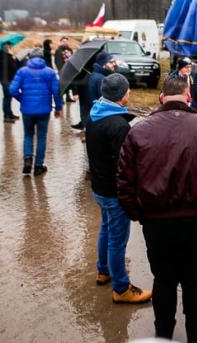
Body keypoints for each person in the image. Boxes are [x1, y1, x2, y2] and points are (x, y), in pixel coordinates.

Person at [118, 75, 197, 342]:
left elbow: (124, 181)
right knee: (194, 277)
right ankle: (196, 333)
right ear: (189, 97)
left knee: (164, 279)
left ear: (162, 98)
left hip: (157, 222)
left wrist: (139, 213)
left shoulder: (138, 130)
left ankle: (163, 334)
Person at [85, 73, 152, 304]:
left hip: (99, 187)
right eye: (128, 90)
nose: (130, 93)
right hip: (114, 192)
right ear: (122, 95)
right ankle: (121, 288)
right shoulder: (118, 125)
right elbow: (125, 166)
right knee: (117, 240)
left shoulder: (94, 114)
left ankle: (103, 270)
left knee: (106, 229)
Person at [9, 48, 63, 176]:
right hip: (44, 110)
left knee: (28, 135)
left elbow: (12, 90)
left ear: (30, 58)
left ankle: (28, 160)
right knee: (41, 136)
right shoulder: (50, 72)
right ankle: (39, 166)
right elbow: (56, 92)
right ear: (42, 58)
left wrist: (22, 99)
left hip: (27, 110)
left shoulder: (22, 71)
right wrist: (58, 108)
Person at [0, 42, 20, 123]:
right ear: (6, 47)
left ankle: (9, 113)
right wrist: (12, 57)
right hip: (6, 79)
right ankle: (6, 116)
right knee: (7, 98)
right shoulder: (5, 56)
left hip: (4, 79)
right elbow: (13, 67)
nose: (11, 47)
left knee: (8, 97)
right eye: (9, 46)